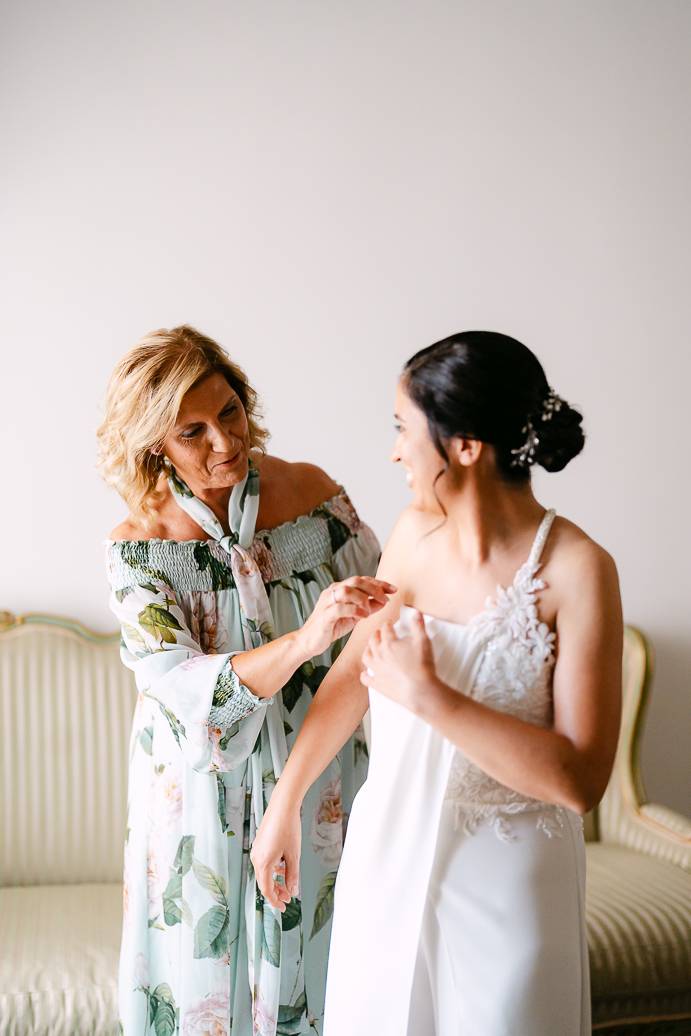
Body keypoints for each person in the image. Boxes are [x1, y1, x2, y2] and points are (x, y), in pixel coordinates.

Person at [251, 331, 623, 1036]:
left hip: (510, 880)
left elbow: (580, 780)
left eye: (404, 429)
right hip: (386, 852)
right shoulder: (412, 536)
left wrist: (431, 698)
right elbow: (352, 677)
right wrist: (284, 803)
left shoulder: (579, 570)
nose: (395, 452)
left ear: (465, 447)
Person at [97, 324, 392, 1036]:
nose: (224, 441)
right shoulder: (139, 548)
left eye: (228, 411)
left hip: (321, 772)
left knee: (333, 959)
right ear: (154, 445)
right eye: (192, 431)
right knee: (206, 972)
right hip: (202, 795)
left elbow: (391, 612)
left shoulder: (313, 494)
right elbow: (183, 693)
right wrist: (307, 638)